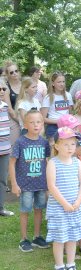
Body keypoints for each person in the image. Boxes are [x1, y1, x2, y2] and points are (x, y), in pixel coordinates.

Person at [46, 127, 81, 270]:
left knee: (72, 237)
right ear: (56, 146)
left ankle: (71, 263)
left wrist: (78, 201)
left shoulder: (77, 162)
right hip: (58, 207)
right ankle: (59, 265)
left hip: (74, 207)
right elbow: (51, 186)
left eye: (73, 144)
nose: (70, 148)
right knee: (59, 238)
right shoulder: (53, 163)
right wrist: (64, 204)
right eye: (66, 144)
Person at [9, 110, 50, 252]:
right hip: (25, 184)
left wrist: (49, 183)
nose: (35, 125)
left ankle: (37, 237)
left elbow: (48, 162)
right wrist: (14, 184)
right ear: (25, 125)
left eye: (38, 122)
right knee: (25, 210)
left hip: (41, 184)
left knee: (39, 209)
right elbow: (12, 163)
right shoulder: (20, 142)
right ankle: (24, 239)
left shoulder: (44, 142)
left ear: (42, 124)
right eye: (32, 122)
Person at [41, 72, 73, 141]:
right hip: (53, 127)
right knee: (53, 149)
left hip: (67, 127)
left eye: (63, 82)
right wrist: (58, 121)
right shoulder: (48, 98)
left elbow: (70, 114)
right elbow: (43, 118)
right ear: (53, 83)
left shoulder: (68, 95)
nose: (62, 84)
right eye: (59, 82)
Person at [0, 78, 14, 216]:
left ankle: (0, 208)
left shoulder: (4, 106)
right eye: (0, 89)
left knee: (3, 180)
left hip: (5, 150)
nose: (2, 91)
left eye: (4, 89)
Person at [3, 60, 21, 147]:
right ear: (8, 75)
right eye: (11, 72)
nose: (14, 73)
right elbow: (9, 110)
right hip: (14, 120)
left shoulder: (24, 85)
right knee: (14, 147)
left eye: (16, 71)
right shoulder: (6, 88)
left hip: (27, 118)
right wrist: (22, 122)